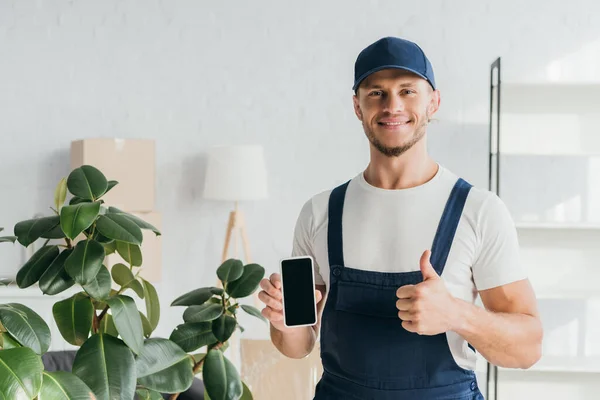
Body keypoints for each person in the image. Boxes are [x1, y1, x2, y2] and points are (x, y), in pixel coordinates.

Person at [258, 36, 543, 400]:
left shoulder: (479, 211)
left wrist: (456, 314)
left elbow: (528, 348)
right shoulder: (319, 212)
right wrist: (284, 323)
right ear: (357, 107)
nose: (392, 106)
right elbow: (297, 346)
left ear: (433, 102)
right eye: (376, 93)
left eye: (407, 91)